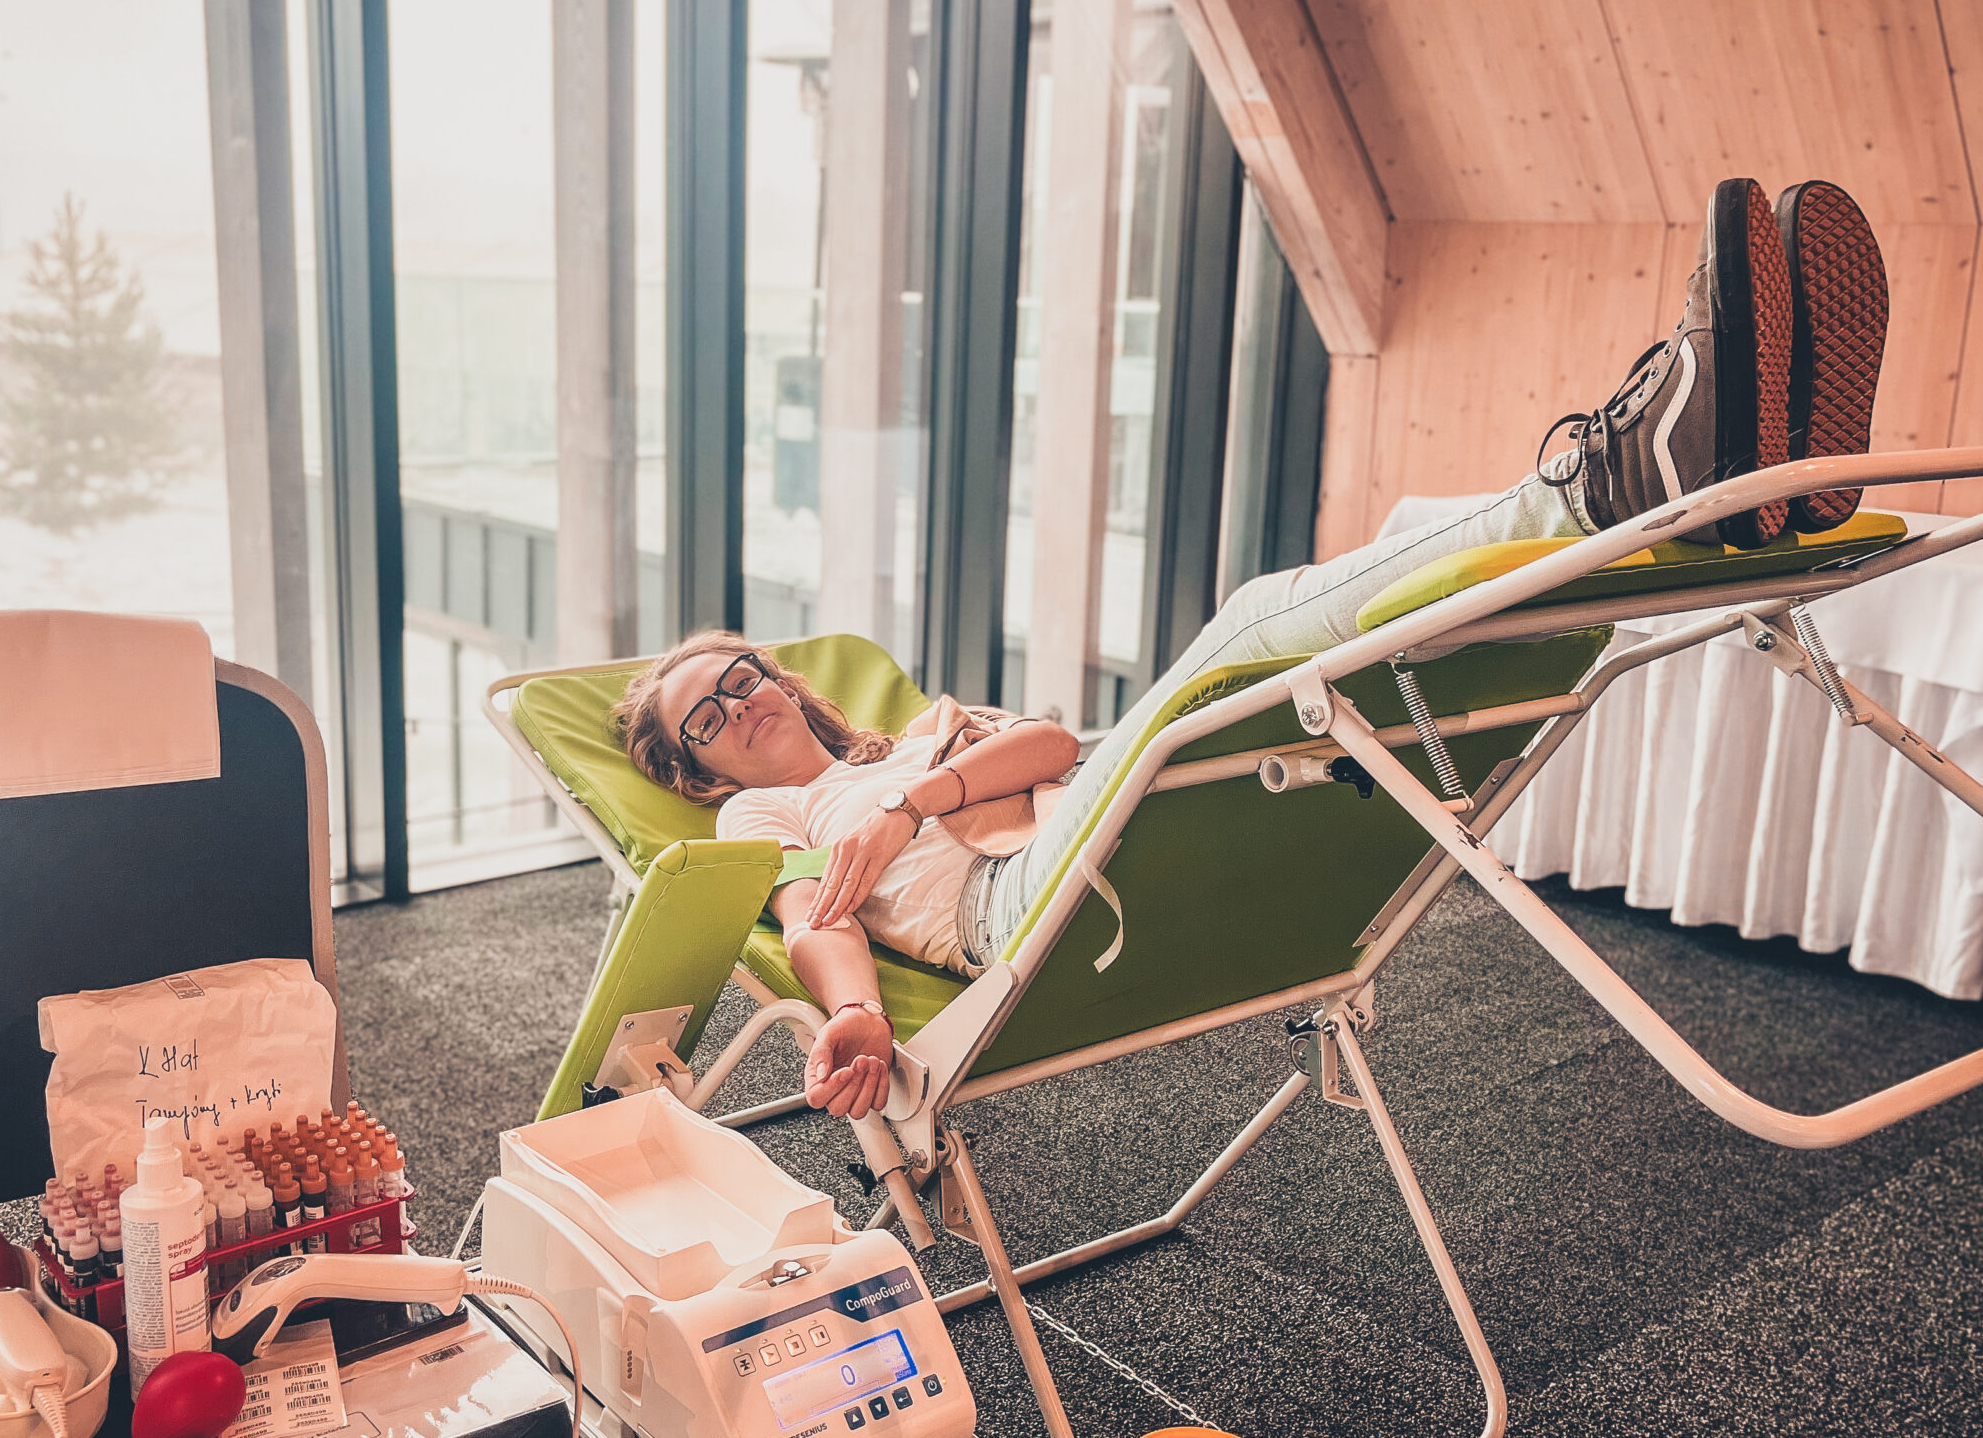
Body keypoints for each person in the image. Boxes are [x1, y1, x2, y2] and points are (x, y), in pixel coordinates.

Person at [614, 177, 1889, 1119]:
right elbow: (814, 918)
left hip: (1094, 822)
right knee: (1249, 626)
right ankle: (1613, 479)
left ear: (780, 678)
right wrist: (850, 1010)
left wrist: (914, 798)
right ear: (698, 771)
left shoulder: (899, 748)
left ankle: (1733, 469)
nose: (739, 705)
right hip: (1023, 900)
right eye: (706, 721)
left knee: (1300, 650)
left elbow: (1051, 745)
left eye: (739, 677)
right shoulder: (767, 816)